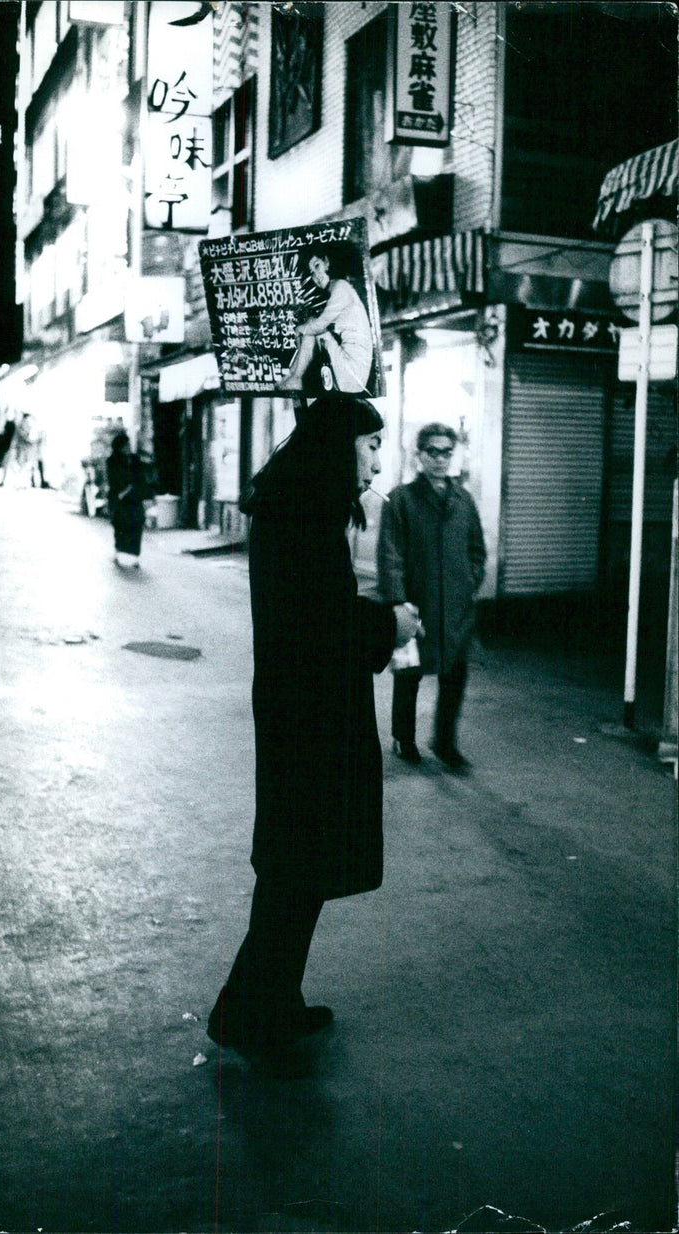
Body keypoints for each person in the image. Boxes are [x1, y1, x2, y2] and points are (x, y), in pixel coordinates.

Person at [206, 395, 417, 1059]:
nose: (378, 461)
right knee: (298, 872)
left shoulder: (296, 503)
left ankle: (269, 1003)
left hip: (303, 711)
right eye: (370, 445)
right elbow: (320, 629)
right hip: (311, 720)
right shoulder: (303, 512)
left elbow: (316, 612)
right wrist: (391, 625)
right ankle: (254, 1018)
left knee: (297, 871)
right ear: (338, 446)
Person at [376, 422, 486, 772]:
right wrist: (398, 601)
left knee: (455, 676)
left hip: (456, 609)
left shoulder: (463, 499)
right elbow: (390, 554)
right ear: (419, 455)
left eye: (446, 452)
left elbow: (477, 550)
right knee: (408, 675)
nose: (440, 459)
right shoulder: (401, 499)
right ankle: (403, 739)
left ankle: (445, 742)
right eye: (433, 451)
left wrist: (469, 581)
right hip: (415, 606)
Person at [278, 247, 374, 396]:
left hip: (353, 373)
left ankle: (296, 377)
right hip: (352, 374)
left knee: (313, 328)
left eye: (317, 266)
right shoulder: (337, 288)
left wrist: (297, 330)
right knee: (311, 325)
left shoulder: (341, 287)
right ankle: (292, 375)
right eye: (311, 272)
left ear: (327, 263)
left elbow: (319, 325)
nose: (316, 275)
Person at [106, 432, 152, 567]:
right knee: (120, 526)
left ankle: (135, 556)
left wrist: (144, 494)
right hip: (119, 499)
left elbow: (141, 477)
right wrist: (124, 489)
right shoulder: (112, 460)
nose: (128, 447)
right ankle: (117, 552)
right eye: (125, 445)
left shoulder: (134, 459)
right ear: (119, 447)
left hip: (134, 498)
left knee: (137, 524)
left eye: (128, 444)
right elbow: (113, 479)